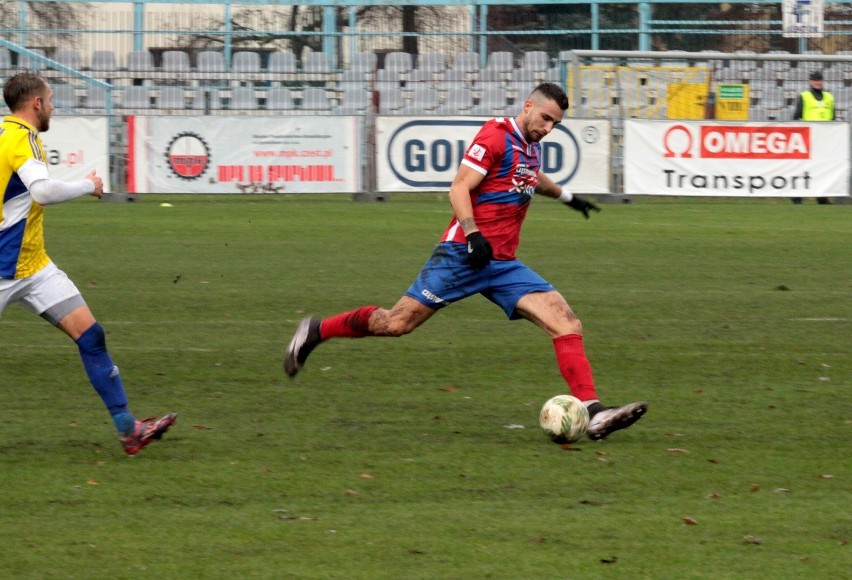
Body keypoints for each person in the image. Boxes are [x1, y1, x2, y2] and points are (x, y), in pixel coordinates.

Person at [284, 82, 647, 442]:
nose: (548, 128)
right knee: (396, 324)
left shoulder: (531, 145)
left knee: (566, 323)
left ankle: (595, 412)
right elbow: (459, 187)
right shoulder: (494, 136)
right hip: (462, 255)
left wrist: (568, 197)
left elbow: (530, 177)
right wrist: (473, 235)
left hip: (503, 264)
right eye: (545, 118)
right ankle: (317, 330)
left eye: (556, 124)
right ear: (527, 106)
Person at [1, 71, 176, 455]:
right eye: (50, 99)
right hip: (2, 269)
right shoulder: (22, 138)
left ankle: (130, 430)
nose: (53, 106)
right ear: (36, 104)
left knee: (91, 336)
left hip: (33, 267)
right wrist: (88, 185)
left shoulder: (4, 134)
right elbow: (43, 192)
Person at [791, 70, 834, 205]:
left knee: (821, 168)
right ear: (810, 81)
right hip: (808, 139)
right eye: (815, 80)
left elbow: (833, 118)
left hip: (824, 140)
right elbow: (796, 117)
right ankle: (797, 197)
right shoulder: (804, 96)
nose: (817, 82)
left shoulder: (829, 97)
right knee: (804, 168)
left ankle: (821, 197)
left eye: (819, 79)